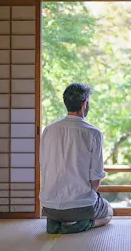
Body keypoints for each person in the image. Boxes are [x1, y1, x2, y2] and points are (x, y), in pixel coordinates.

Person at [40, 83, 113, 234]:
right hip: (80, 205)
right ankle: (79, 225)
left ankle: (56, 223)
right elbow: (95, 178)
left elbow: (44, 167)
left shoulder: (48, 130)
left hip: (49, 206)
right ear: (85, 103)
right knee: (109, 212)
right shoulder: (93, 133)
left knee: (61, 211)